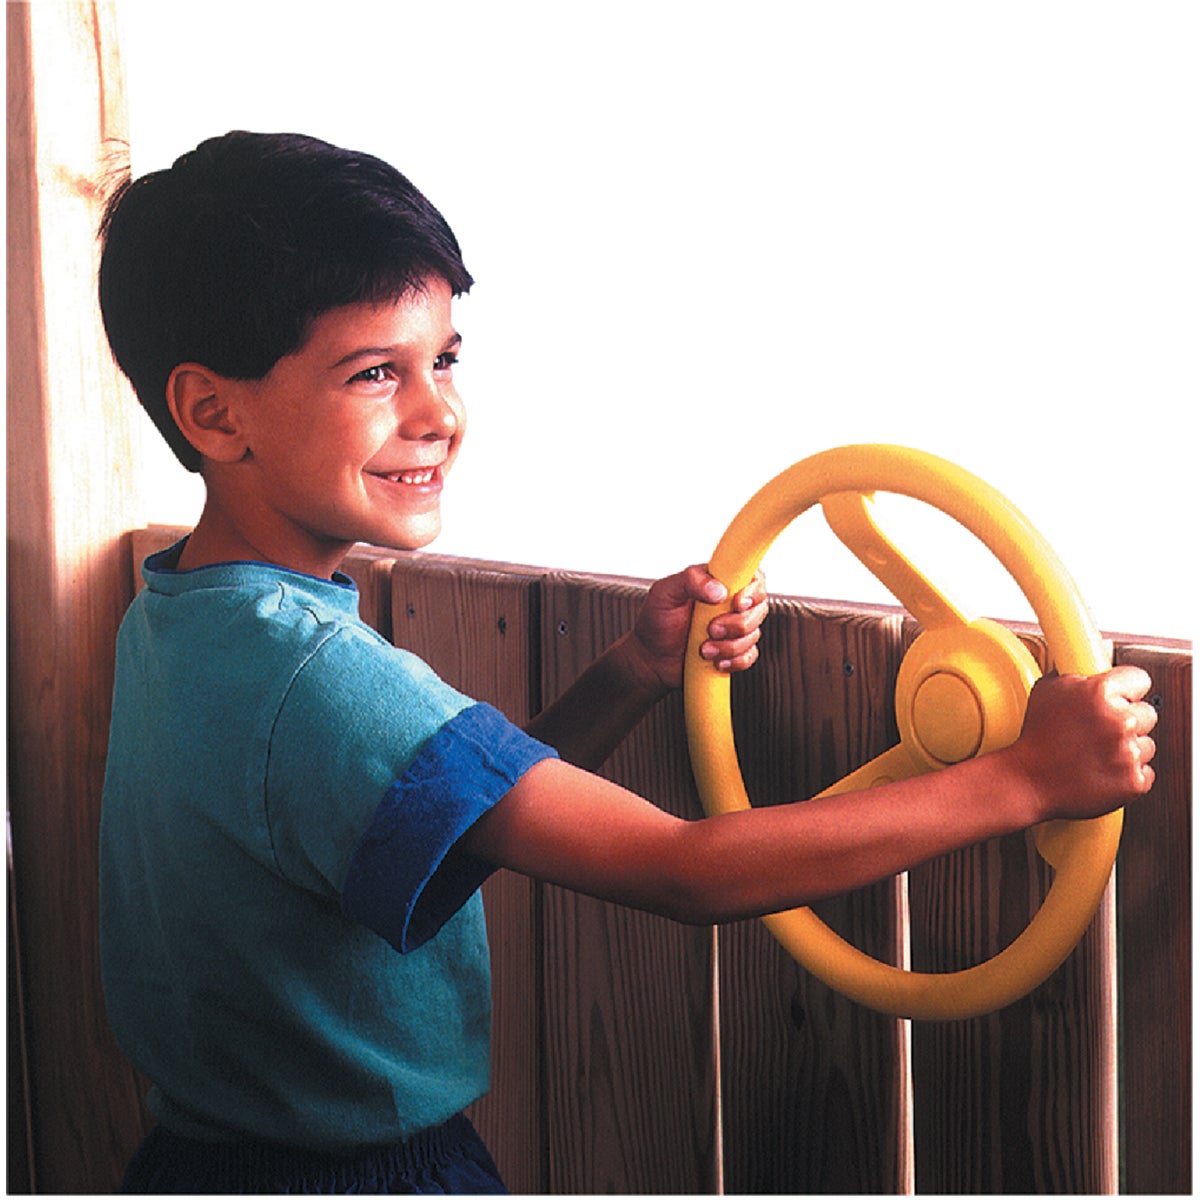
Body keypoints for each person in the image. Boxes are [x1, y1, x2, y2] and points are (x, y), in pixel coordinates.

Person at [97, 131, 1157, 1195]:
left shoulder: (184, 619)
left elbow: (448, 823)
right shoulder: (317, 674)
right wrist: (1025, 779)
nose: (441, 415)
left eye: (446, 359)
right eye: (376, 373)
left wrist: (633, 671)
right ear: (212, 412)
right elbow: (681, 870)